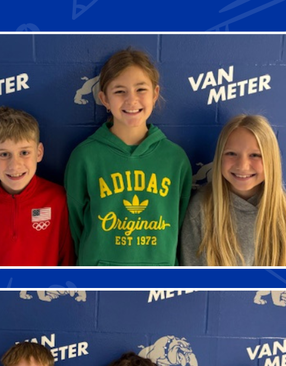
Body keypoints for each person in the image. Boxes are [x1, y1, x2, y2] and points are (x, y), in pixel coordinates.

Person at [64, 48, 192, 266]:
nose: (131, 100)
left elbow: (180, 222)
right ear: (104, 98)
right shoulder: (85, 156)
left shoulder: (175, 159)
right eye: (120, 91)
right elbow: (75, 224)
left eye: (141, 89)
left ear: (155, 93)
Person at [178, 114, 286, 266]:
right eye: (231, 154)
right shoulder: (201, 209)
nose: (242, 165)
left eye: (255, 155)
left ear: (270, 160)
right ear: (220, 156)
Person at [0, 107, 74, 266]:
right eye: (4, 154)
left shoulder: (57, 199)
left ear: (39, 152)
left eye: (24, 153)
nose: (15, 165)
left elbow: (67, 258)